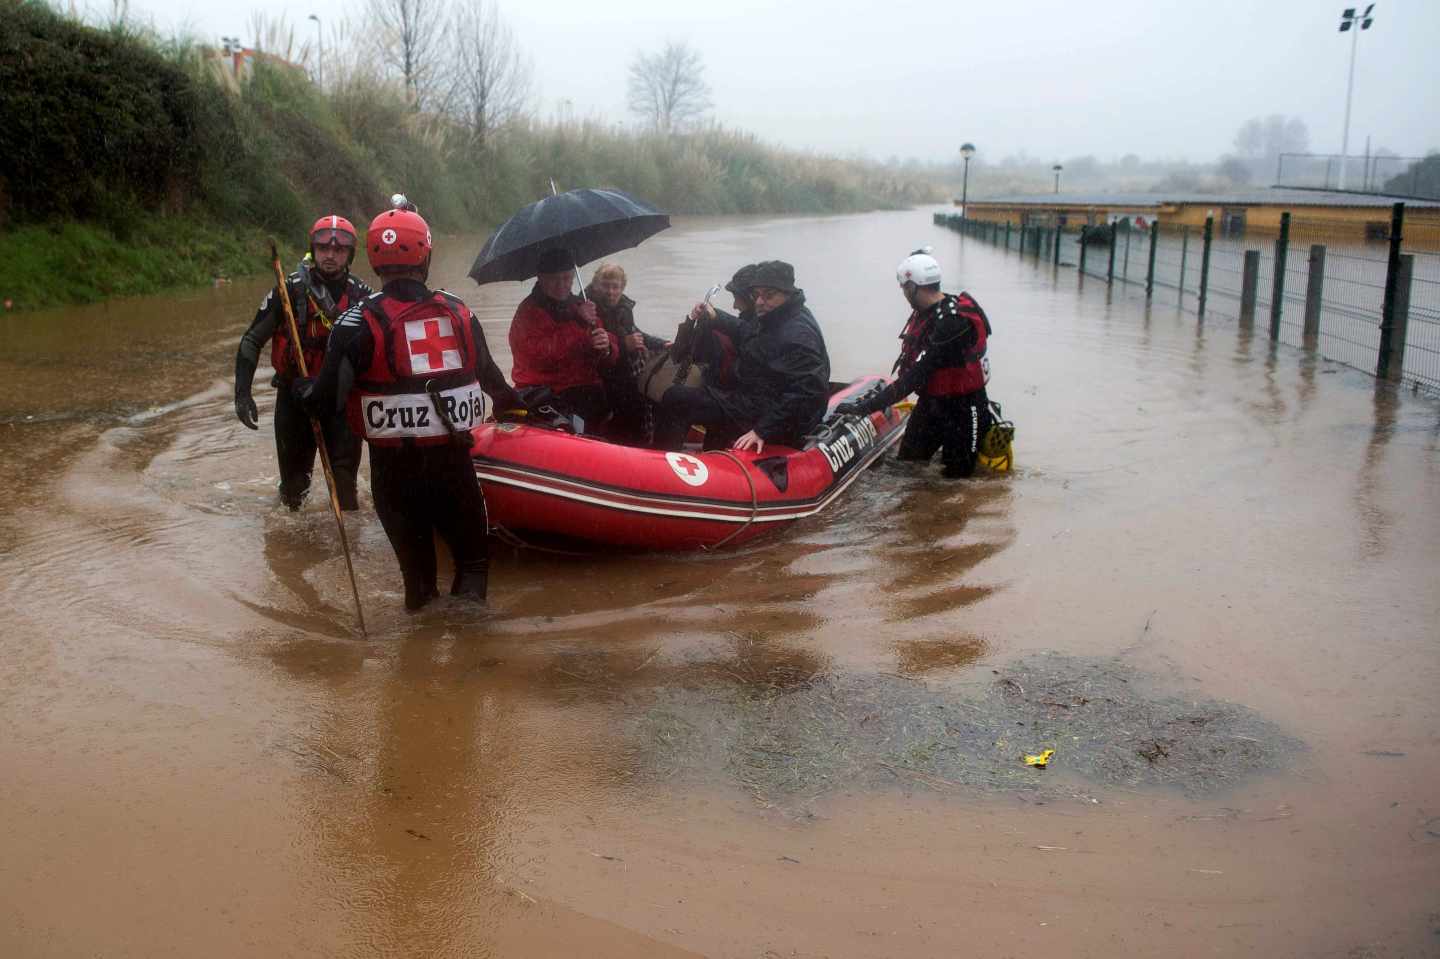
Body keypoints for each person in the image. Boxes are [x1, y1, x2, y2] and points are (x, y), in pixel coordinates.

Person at [296, 206, 520, 611]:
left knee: (418, 587)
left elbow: (326, 402)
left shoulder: (354, 323)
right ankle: (473, 659)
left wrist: (303, 389)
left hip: (393, 476)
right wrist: (524, 410)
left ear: (373, 258)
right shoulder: (459, 312)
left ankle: (418, 659)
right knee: (472, 566)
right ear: (426, 256)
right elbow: (494, 383)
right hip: (454, 466)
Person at [234, 215, 372, 510]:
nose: (330, 255)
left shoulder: (363, 298)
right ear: (313, 249)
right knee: (293, 493)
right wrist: (242, 394)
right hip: (294, 401)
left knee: (346, 490)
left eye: (338, 250)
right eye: (323, 248)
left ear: (350, 254)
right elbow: (251, 341)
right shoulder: (288, 292)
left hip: (339, 403)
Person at [835, 247, 993, 478]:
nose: (903, 293)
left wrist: (865, 408)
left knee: (957, 480)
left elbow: (914, 376)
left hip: (964, 409)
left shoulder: (952, 324)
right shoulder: (928, 311)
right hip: (932, 404)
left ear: (912, 287)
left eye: (904, 288)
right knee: (907, 467)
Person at [654, 260, 830, 454]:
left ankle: (661, 465)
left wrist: (762, 430)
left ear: (787, 294)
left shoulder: (798, 335)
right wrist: (716, 316)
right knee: (708, 390)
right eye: (757, 295)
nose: (760, 302)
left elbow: (808, 391)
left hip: (772, 415)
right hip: (758, 399)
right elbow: (748, 332)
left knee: (676, 398)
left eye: (769, 296)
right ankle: (709, 454)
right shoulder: (780, 316)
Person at [509, 249, 620, 431]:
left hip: (587, 389)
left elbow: (607, 350)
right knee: (574, 422)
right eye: (554, 279)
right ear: (541, 278)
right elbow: (541, 355)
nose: (562, 284)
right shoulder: (528, 312)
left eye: (567, 278)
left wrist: (607, 347)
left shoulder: (580, 304)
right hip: (545, 390)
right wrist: (577, 322)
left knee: (628, 402)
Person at [585, 262, 666, 445]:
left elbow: (636, 333)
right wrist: (623, 344)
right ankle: (634, 445)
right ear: (596, 285)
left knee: (658, 389)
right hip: (603, 372)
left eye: (616, 287)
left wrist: (662, 344)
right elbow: (595, 349)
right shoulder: (588, 310)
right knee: (635, 398)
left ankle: (650, 439)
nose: (611, 292)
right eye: (605, 286)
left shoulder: (623, 308)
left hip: (623, 366)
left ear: (623, 288)